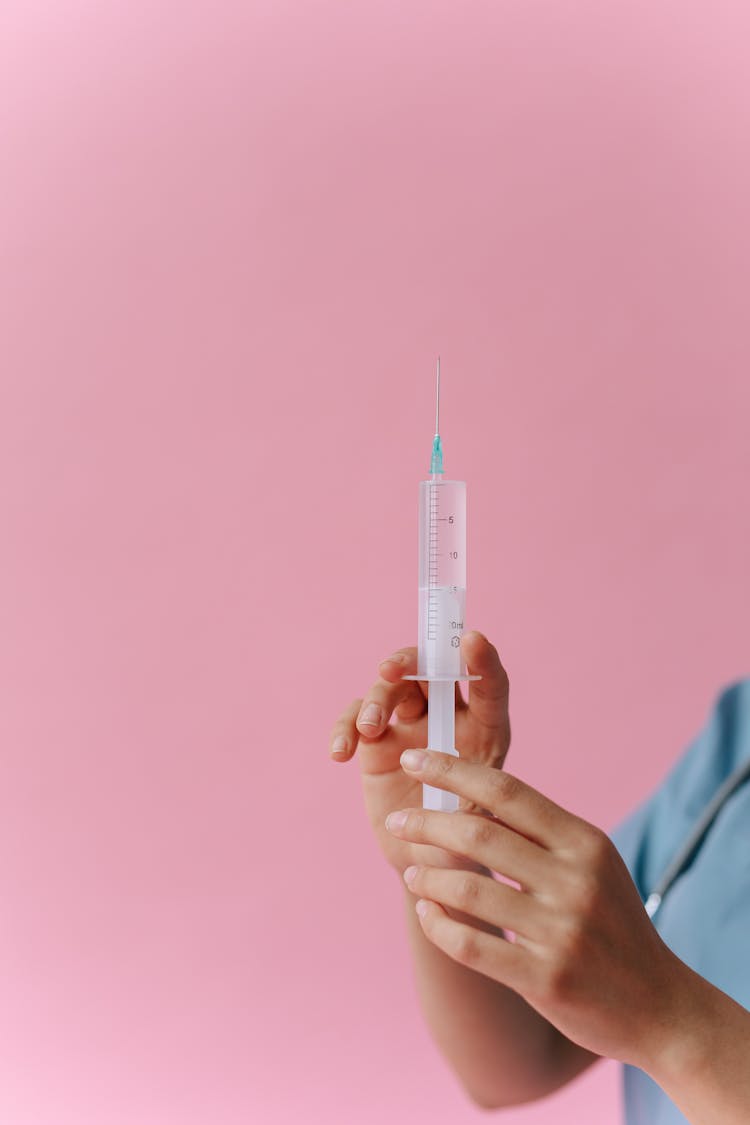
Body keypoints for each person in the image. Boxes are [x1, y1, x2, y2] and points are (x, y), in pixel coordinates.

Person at [329, 631, 750, 1124]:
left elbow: (651, 1005)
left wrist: (672, 1020)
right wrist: (443, 857)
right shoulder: (736, 745)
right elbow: (523, 1062)